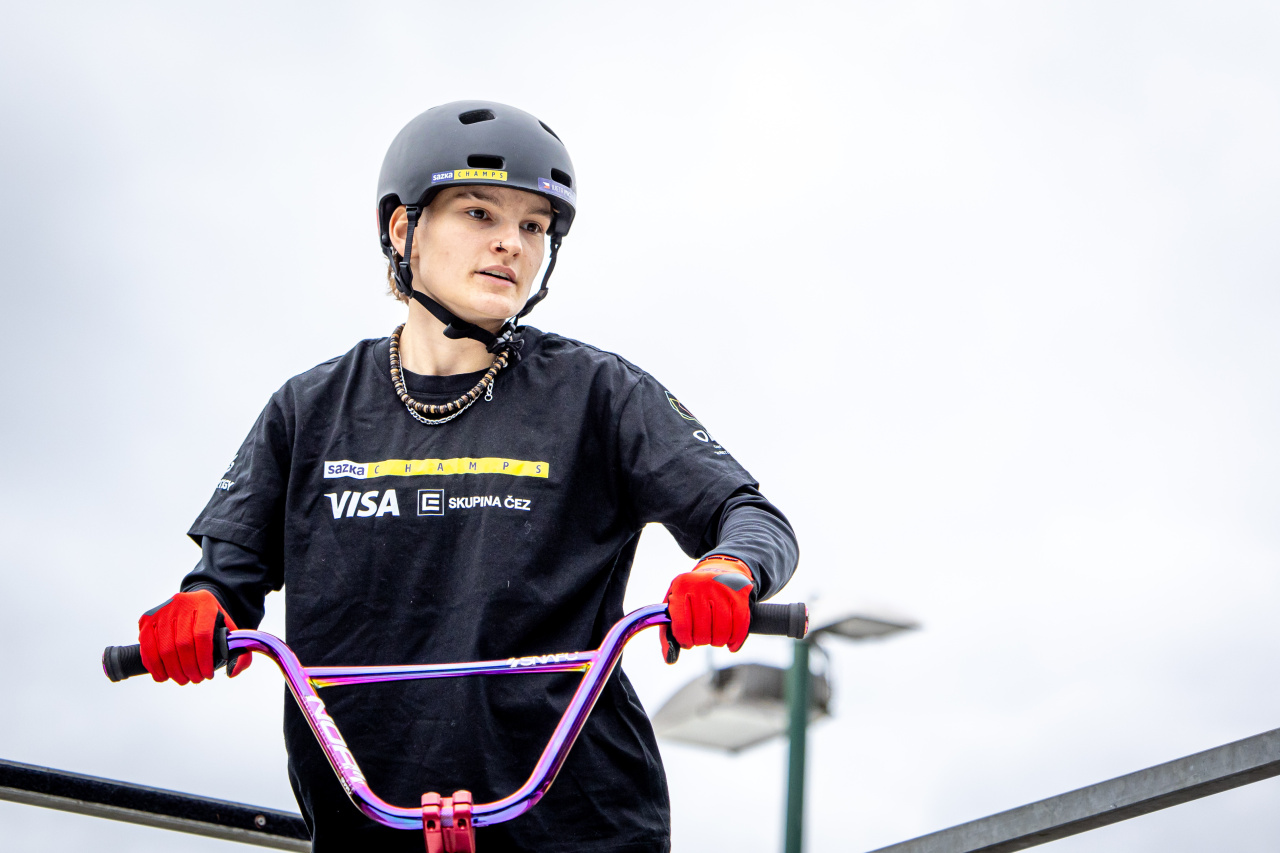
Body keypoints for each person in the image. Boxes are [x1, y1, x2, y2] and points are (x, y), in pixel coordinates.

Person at [133, 101, 799, 853]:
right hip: (371, 822)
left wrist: (727, 569)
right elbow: (226, 579)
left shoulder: (597, 394)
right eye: (480, 213)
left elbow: (751, 516)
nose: (512, 243)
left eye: (534, 226)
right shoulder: (309, 410)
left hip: (575, 828)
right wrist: (199, 609)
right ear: (403, 230)